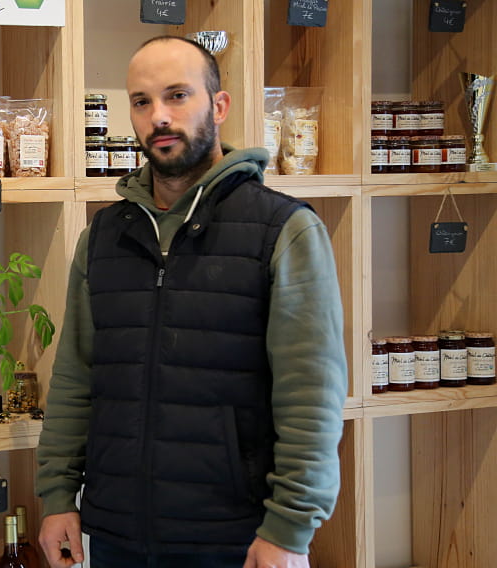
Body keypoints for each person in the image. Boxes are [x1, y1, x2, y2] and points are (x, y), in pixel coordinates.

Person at [35, 36, 346, 568]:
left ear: (218, 106)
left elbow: (311, 399)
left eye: (177, 95)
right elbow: (76, 378)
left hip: (237, 538)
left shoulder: (284, 230)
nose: (159, 116)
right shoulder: (104, 236)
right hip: (116, 535)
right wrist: (57, 496)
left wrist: (290, 530)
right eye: (142, 101)